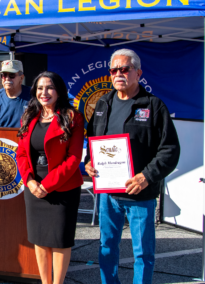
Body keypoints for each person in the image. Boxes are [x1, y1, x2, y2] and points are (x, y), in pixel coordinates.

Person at [84, 49, 180, 284]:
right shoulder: (102, 104)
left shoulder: (154, 106)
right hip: (108, 195)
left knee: (143, 254)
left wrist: (146, 176)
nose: (118, 74)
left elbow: (170, 150)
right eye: (114, 70)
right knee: (107, 248)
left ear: (138, 72)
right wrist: (89, 163)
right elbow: (92, 141)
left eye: (124, 69)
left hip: (140, 195)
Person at [16, 71, 84, 284]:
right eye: (39, 88)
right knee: (40, 239)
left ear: (59, 91)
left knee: (60, 240)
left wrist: (48, 184)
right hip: (34, 186)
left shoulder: (73, 117)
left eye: (49, 87)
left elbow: (74, 158)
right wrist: (29, 181)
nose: (44, 92)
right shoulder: (28, 116)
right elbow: (21, 153)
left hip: (62, 187)